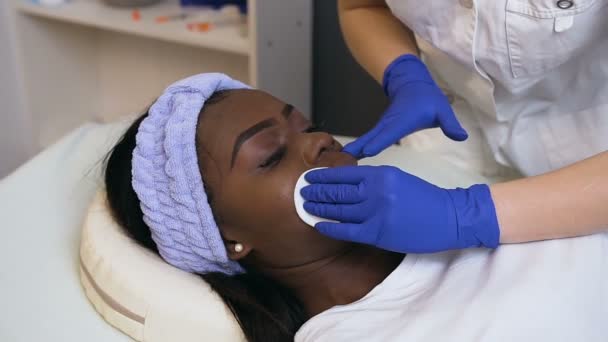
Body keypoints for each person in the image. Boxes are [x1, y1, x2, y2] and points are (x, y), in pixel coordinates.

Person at [105, 73, 607, 342]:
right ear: (228, 239)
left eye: (305, 124)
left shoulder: (495, 212)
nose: (320, 140)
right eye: (272, 156)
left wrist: (466, 216)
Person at [301, 0, 608, 255]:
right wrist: (403, 73)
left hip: (589, 159)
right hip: (453, 128)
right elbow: (362, 6)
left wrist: (468, 214)